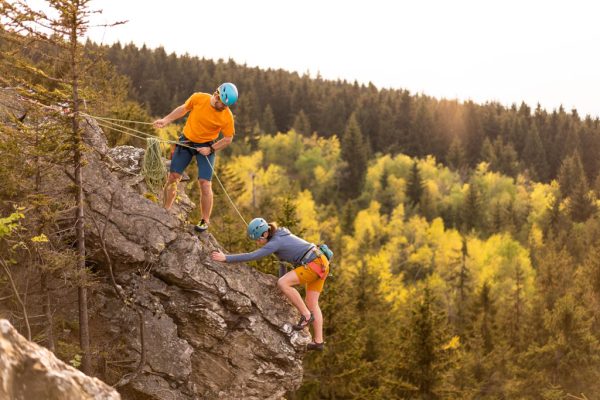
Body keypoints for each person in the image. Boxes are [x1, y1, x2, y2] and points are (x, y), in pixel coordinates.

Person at [211, 218, 330, 351]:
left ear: (265, 234)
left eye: (258, 239)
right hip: (322, 262)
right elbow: (282, 261)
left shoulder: (275, 242)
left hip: (314, 264)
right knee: (311, 302)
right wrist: (283, 283)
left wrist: (226, 258)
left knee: (283, 283)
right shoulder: (280, 234)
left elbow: (252, 256)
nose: (257, 243)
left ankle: (306, 316)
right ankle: (319, 342)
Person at [152, 82, 238, 232]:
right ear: (216, 95)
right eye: (222, 104)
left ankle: (205, 220)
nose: (224, 107)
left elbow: (228, 138)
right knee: (173, 176)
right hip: (186, 142)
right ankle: (165, 210)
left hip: (207, 146)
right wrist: (166, 120)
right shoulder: (199, 98)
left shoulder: (227, 116)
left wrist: (211, 149)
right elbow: (183, 109)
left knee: (205, 183)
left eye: (227, 106)